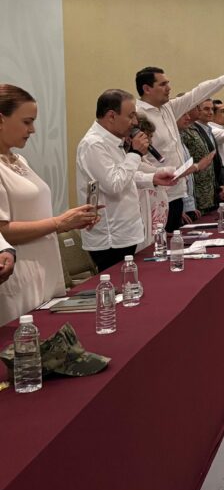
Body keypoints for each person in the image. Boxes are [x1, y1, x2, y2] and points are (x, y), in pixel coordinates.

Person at [0, 84, 100, 325]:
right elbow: (3, 231)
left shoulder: (19, 160)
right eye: (27, 122)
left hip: (44, 267)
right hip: (18, 274)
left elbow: (34, 215)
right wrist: (59, 223)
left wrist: (70, 220)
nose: (32, 130)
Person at [135, 64, 224, 230]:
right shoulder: (138, 115)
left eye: (168, 83)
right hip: (155, 194)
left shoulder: (169, 108)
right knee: (159, 241)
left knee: (175, 239)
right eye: (163, 84)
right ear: (147, 89)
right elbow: (138, 160)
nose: (169, 88)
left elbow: (197, 94)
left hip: (177, 192)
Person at [76, 89, 175, 271]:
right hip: (111, 238)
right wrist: (135, 153)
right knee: (120, 283)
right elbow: (114, 184)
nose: (135, 122)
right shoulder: (94, 144)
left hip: (126, 232)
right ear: (111, 116)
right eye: (131, 116)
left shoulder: (113, 140)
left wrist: (152, 178)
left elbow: (125, 175)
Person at [135, 115, 168, 249]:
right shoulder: (134, 161)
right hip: (145, 217)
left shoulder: (144, 159)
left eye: (150, 136)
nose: (149, 141)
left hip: (156, 218)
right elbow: (155, 173)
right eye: (147, 136)